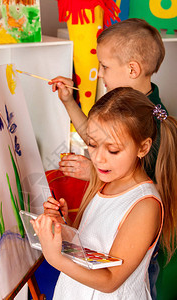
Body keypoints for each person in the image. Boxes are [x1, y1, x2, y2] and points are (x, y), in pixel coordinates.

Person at [32, 87, 177, 300]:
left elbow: (110, 280)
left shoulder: (145, 205)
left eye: (113, 150)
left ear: (143, 147)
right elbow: (94, 249)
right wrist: (64, 227)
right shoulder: (106, 183)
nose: (98, 158)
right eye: (92, 144)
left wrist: (55, 258)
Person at [49, 18, 167, 183]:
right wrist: (68, 101)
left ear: (132, 69)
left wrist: (95, 173)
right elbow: (95, 137)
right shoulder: (122, 102)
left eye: (104, 66)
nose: (99, 73)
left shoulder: (149, 120)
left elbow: (148, 187)